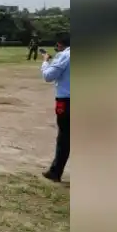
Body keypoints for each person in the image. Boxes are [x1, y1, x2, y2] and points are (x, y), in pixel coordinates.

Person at [39, 32, 70, 182]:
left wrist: (45, 61)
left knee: (65, 137)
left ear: (60, 44)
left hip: (67, 100)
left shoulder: (65, 56)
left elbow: (48, 76)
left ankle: (55, 171)